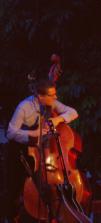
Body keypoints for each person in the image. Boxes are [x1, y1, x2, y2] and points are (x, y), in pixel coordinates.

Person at [5, 79, 78, 221]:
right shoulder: (24, 107)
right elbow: (10, 132)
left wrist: (58, 120)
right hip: (20, 151)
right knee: (15, 188)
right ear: (40, 97)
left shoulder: (52, 103)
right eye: (52, 95)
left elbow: (73, 112)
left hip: (41, 153)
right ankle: (11, 217)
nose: (56, 98)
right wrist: (32, 134)